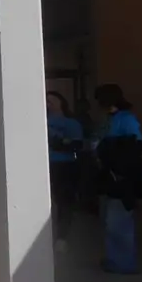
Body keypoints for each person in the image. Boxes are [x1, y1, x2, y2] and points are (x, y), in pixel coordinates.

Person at [93, 84, 142, 274]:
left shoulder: (126, 119)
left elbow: (136, 145)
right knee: (111, 221)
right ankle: (115, 259)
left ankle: (123, 263)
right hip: (109, 175)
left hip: (122, 177)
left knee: (119, 220)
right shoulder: (109, 120)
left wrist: (118, 165)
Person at [46, 91, 83, 252]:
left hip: (65, 165)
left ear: (62, 101)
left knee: (65, 202)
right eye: (47, 101)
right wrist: (62, 141)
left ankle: (62, 237)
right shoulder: (41, 120)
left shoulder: (71, 123)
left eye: (52, 100)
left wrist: (59, 142)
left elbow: (76, 145)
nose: (49, 103)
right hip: (46, 165)